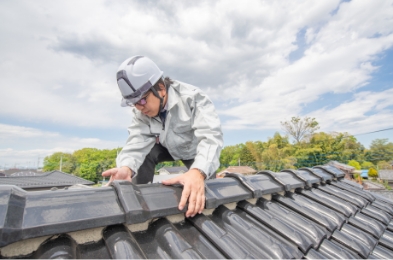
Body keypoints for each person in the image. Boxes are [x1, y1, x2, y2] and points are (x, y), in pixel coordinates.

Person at [102, 55, 223, 218]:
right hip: (165, 147)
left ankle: (207, 208)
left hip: (194, 151)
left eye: (142, 100)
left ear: (160, 88)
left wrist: (198, 172)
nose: (139, 107)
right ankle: (137, 205)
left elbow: (211, 137)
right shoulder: (141, 112)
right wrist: (126, 167)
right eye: (134, 103)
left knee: (205, 183)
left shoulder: (193, 98)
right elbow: (137, 141)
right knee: (142, 156)